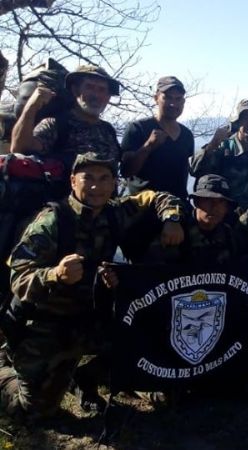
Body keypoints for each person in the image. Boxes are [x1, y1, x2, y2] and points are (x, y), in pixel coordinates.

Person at [0, 152, 185, 420]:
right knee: (33, 412)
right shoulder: (52, 221)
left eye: (104, 178)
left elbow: (158, 197)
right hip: (45, 324)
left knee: (139, 339)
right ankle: (5, 367)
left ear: (114, 183)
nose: (96, 186)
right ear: (73, 181)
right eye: (88, 178)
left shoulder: (115, 211)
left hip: (89, 317)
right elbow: (19, 279)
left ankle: (85, 376)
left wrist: (172, 219)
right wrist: (55, 275)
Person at [10, 65, 121, 170]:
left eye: (102, 89)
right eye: (89, 87)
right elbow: (19, 149)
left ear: (108, 97)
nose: (96, 95)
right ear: (75, 90)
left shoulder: (108, 130)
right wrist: (31, 107)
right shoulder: (57, 124)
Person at [190, 99, 248, 210]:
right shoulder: (223, 147)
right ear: (237, 122)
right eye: (245, 118)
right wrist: (212, 145)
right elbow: (194, 170)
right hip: (226, 212)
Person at [141, 174, 243, 265]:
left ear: (227, 208)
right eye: (208, 199)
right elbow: (152, 272)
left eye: (221, 202)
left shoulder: (230, 236)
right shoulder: (175, 230)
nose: (215, 207)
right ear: (196, 202)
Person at [121, 76, 195, 199]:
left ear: (183, 102)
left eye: (178, 99)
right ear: (156, 98)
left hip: (177, 206)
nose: (173, 104)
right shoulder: (138, 128)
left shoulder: (186, 135)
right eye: (168, 98)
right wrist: (148, 146)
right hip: (143, 206)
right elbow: (126, 171)